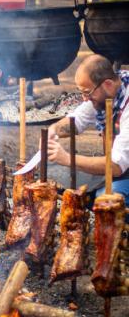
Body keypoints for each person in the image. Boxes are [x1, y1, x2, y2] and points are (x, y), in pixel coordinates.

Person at [46, 54, 129, 205]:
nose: (85, 99)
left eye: (87, 92)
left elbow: (116, 166)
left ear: (108, 84)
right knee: (70, 186)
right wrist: (52, 131)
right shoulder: (108, 91)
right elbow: (76, 120)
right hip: (122, 171)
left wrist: (67, 159)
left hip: (121, 169)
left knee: (103, 199)